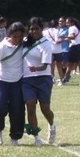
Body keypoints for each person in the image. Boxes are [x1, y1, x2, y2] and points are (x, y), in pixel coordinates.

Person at [22, 17, 57, 146]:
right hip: (27, 80)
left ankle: (52, 125)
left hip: (43, 79)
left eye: (37, 29)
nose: (34, 31)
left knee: (45, 109)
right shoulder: (25, 41)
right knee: (30, 106)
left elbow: (45, 65)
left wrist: (35, 68)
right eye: (31, 29)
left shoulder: (46, 44)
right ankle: (36, 136)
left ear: (42, 29)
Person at [66, 16, 80, 85]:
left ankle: (65, 80)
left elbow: (73, 37)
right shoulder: (79, 28)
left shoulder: (71, 28)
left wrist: (64, 37)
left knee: (69, 65)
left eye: (67, 23)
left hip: (74, 47)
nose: (66, 24)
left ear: (72, 23)